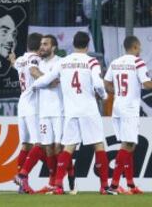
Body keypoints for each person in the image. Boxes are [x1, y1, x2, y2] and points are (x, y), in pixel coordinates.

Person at [31, 31, 110, 195]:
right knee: (98, 145)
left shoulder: (63, 62)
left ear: (73, 44)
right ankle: (104, 186)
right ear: (87, 45)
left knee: (68, 147)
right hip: (88, 109)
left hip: (70, 111)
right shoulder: (92, 61)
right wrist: (104, 96)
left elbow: (45, 80)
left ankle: (58, 186)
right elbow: (98, 83)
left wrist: (33, 86)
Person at [103, 36, 152, 195]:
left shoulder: (115, 62)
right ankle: (113, 186)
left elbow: (106, 83)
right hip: (129, 108)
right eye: (139, 47)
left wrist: (117, 92)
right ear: (134, 47)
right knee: (127, 145)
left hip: (117, 107)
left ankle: (131, 185)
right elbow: (147, 84)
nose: (140, 50)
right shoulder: (138, 62)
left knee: (129, 145)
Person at [33, 35, 77, 194]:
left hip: (59, 111)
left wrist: (43, 80)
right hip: (43, 112)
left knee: (59, 147)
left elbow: (54, 82)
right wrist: (46, 81)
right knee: (48, 148)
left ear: (53, 47)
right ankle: (53, 182)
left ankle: (67, 177)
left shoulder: (60, 62)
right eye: (41, 44)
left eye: (45, 44)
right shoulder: (38, 63)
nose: (42, 47)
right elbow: (46, 82)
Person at [11, 33, 45, 194]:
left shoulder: (20, 60)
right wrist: (50, 79)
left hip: (22, 105)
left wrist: (11, 58)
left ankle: (21, 185)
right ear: (39, 47)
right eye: (43, 44)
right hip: (33, 106)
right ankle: (21, 176)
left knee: (26, 144)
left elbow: (14, 63)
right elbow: (33, 72)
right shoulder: (36, 60)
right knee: (39, 144)